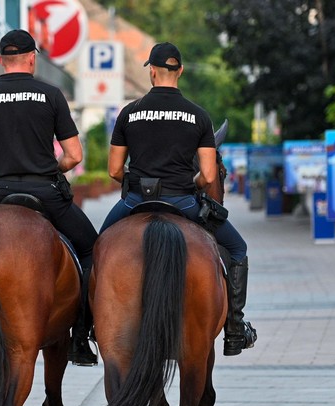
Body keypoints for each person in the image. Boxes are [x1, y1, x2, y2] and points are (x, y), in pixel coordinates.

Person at [99, 42, 256, 356]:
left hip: (134, 201)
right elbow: (209, 177)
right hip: (183, 201)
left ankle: (88, 326)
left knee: (97, 249)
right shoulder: (198, 116)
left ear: (152, 71)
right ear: (180, 71)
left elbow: (115, 170)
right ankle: (235, 329)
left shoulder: (129, 113)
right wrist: (191, 182)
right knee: (237, 249)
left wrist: (135, 182)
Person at [0, 29, 98, 366]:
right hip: (45, 192)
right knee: (93, 249)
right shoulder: (51, 94)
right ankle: (80, 334)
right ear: (33, 58)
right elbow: (74, 155)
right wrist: (52, 167)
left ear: (0, 60)